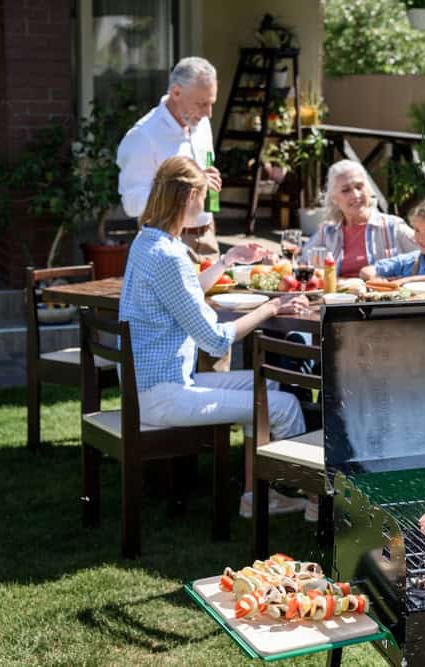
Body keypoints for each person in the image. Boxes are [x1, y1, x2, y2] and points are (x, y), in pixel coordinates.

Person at [119, 156, 311, 519]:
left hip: (154, 385)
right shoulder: (169, 255)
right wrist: (272, 308)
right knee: (284, 406)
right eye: (204, 196)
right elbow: (215, 340)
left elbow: (184, 292)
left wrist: (227, 261)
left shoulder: (148, 242)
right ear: (190, 195)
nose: (205, 205)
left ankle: (257, 498)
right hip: (163, 396)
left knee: (268, 391)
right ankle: (301, 492)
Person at [117, 57, 223, 263]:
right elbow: (131, 204)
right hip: (168, 244)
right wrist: (189, 186)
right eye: (202, 104)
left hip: (208, 236)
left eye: (211, 104)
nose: (208, 114)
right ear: (176, 93)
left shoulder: (201, 124)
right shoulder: (143, 135)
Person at [304, 160, 418, 278]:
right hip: (337, 295)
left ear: (368, 190)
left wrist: (389, 268)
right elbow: (302, 261)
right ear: (334, 199)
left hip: (383, 294)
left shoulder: (392, 226)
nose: (355, 195)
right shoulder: (327, 232)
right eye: (346, 190)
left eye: (359, 187)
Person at [359, 196, 425, 282]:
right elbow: (366, 271)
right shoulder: (409, 261)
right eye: (417, 230)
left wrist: (407, 280)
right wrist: (377, 278)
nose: (421, 238)